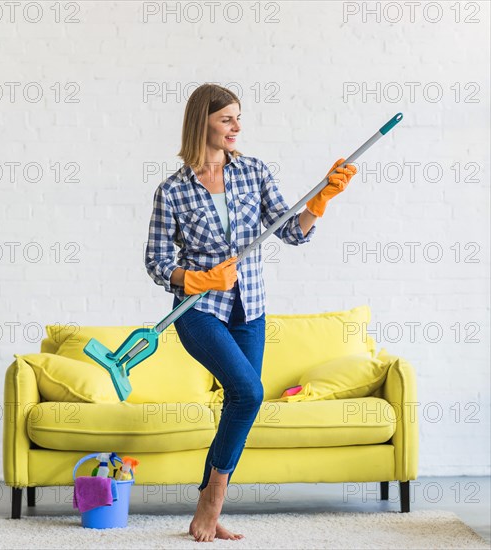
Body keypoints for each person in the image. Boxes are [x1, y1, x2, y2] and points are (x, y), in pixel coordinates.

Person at [145, 83, 357, 542]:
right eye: (227, 119)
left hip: (251, 309)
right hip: (198, 310)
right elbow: (157, 262)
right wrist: (197, 279)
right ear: (201, 122)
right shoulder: (172, 191)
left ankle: (207, 500)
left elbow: (293, 233)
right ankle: (212, 501)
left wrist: (321, 200)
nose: (237, 127)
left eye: (239, 117)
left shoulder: (254, 172)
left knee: (240, 401)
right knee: (250, 391)